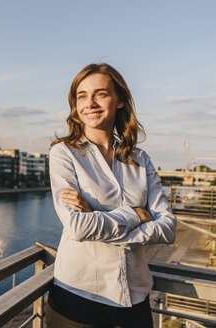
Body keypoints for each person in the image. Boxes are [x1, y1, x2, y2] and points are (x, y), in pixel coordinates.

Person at [46, 63, 176, 327]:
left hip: (135, 301)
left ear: (119, 100)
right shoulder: (64, 154)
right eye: (82, 96)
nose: (90, 103)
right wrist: (138, 214)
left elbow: (168, 228)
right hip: (77, 298)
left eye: (100, 94)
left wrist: (100, 220)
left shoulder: (140, 159)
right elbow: (77, 226)